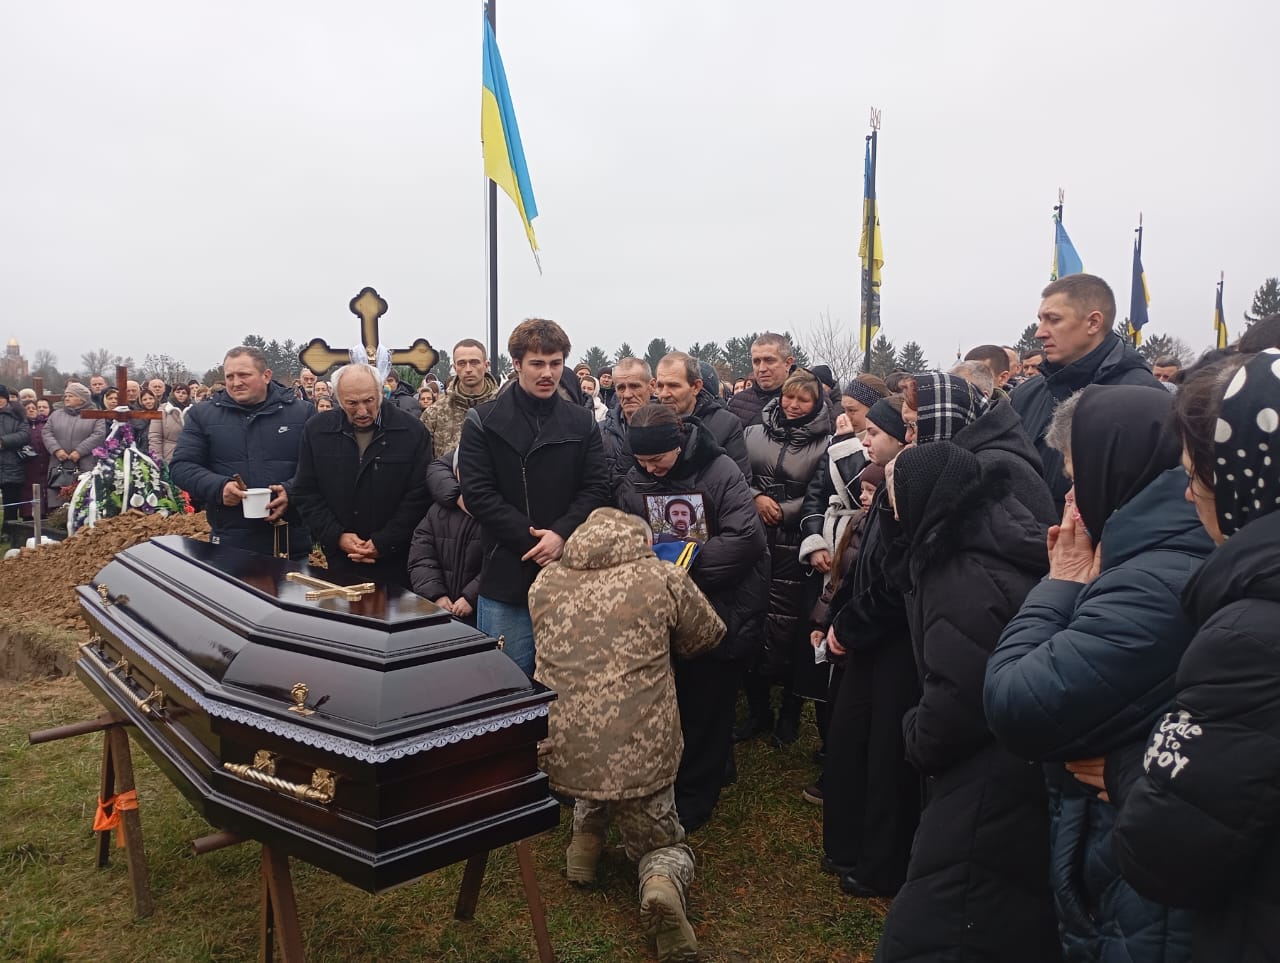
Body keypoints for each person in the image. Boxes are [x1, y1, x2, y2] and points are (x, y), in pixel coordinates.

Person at [983, 385, 1209, 962]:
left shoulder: (1150, 581)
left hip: (1145, 888)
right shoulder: (1150, 552)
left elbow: (1017, 701)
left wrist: (1060, 584)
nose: (1069, 496)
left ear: (1114, 470)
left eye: (1074, 476)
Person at [1109, 351, 1280, 962]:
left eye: (1198, 476)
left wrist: (1125, 766)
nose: (1188, 493)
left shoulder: (1250, 637)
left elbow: (1164, 851)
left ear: (1248, 476)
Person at [873, 442, 1060, 962]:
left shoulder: (958, 572)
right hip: (1017, 760)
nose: (891, 513)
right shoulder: (993, 533)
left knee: (946, 918)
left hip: (985, 773)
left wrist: (917, 732)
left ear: (920, 497)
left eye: (893, 499)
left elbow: (961, 694)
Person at [529, 507, 725, 963]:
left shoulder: (545, 582)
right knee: (660, 838)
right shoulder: (661, 578)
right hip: (640, 750)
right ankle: (661, 882)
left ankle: (584, 846)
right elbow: (705, 636)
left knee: (594, 744)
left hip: (563, 747)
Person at [616, 403, 768, 833]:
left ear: (679, 445)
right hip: (665, 609)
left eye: (657, 459)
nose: (650, 469)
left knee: (709, 701)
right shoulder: (633, 481)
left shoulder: (719, 470)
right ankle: (697, 772)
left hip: (721, 602)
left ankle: (695, 802)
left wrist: (681, 564)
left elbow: (746, 538)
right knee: (679, 701)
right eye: (642, 461)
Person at [458, 318, 610, 677]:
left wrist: (560, 534)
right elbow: (478, 493)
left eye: (555, 363)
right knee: (506, 681)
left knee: (571, 681)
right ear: (516, 364)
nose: (547, 373)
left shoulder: (582, 422)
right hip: (508, 570)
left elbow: (596, 487)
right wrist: (533, 540)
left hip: (570, 569)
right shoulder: (483, 421)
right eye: (537, 363)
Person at [823, 396, 920, 898]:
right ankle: (846, 845)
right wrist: (836, 619)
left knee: (884, 756)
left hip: (895, 647)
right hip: (864, 639)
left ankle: (880, 861)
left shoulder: (911, 491)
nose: (865, 439)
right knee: (850, 742)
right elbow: (862, 564)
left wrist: (848, 627)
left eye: (876, 432)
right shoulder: (882, 486)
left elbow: (895, 581)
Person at [739, 370, 834, 745]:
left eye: (802, 400)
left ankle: (790, 712)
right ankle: (758, 708)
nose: (793, 405)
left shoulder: (826, 442)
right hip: (756, 535)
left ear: (816, 404)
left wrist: (784, 510)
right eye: (788, 397)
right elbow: (737, 473)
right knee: (754, 618)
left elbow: (821, 491)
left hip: (795, 542)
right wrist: (756, 499)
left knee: (794, 626)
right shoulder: (753, 432)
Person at [1011, 274, 1163, 510]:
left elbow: (1153, 504)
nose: (1039, 332)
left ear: (1093, 323)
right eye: (1040, 320)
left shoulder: (1147, 401)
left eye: (1053, 320)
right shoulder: (1025, 395)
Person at [292, 363, 433, 586]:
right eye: (352, 403)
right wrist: (337, 536)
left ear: (381, 392)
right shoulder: (316, 431)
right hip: (339, 559)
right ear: (337, 398)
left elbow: (420, 495)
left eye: (369, 400)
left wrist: (385, 541)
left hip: (400, 560)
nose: (362, 411)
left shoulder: (412, 431)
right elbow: (306, 491)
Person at [170, 346, 313, 559]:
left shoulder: (301, 413)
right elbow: (181, 467)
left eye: (244, 375)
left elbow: (320, 467)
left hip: (289, 538)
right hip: (231, 539)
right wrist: (220, 487)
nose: (236, 383)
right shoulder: (203, 415)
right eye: (230, 376)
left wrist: (290, 492)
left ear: (266, 376)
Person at [902, 371, 1057, 526]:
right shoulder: (965, 459)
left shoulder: (993, 466)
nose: (907, 437)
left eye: (912, 425)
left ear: (941, 420)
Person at [407, 453, 482, 624]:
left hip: (479, 610)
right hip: (439, 610)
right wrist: (436, 595)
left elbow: (499, 563)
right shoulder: (437, 511)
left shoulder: (496, 512)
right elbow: (421, 556)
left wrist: (471, 597)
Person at [655, 352, 751, 479]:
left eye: (673, 386)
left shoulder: (726, 424)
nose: (664, 394)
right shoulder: (644, 422)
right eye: (660, 386)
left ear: (696, 386)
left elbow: (739, 481)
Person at [421, 339, 500, 456]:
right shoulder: (435, 413)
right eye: (462, 363)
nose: (468, 369)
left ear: (486, 365)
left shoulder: (503, 407)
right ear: (455, 367)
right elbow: (423, 459)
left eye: (474, 362)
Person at [42, 383, 105, 510]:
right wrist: (57, 450)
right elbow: (46, 432)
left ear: (81, 399)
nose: (66, 398)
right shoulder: (56, 415)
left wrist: (79, 451)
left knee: (83, 503)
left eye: (70, 396)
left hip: (85, 465)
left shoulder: (95, 415)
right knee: (59, 504)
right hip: (59, 467)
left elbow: (98, 435)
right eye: (66, 396)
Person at [601, 357, 657, 491]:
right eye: (621, 388)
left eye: (634, 386)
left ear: (652, 386)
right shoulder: (599, 432)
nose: (627, 395)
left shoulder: (672, 428)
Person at [726, 333, 795, 427]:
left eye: (769, 360)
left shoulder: (809, 400)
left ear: (787, 363)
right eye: (756, 362)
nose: (762, 369)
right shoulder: (737, 404)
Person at [0, 386, 32, 523]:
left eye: (1, 398)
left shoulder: (17, 414)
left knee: (11, 505)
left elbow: (25, 434)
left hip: (12, 465)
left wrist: (3, 442)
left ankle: (9, 531)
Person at [21, 399, 50, 519]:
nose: (31, 410)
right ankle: (28, 515)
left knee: (44, 489)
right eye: (28, 408)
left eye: (34, 408)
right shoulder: (21, 425)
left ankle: (44, 514)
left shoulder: (46, 424)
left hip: (45, 463)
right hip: (27, 465)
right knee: (28, 491)